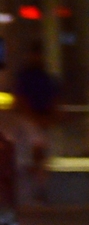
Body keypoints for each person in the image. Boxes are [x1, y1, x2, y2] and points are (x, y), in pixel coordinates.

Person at [7, 48, 59, 205]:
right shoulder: (29, 77)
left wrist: (47, 118)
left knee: (35, 154)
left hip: (36, 120)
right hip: (30, 120)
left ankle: (37, 189)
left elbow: (53, 100)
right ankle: (35, 189)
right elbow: (21, 100)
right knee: (35, 152)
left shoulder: (44, 77)